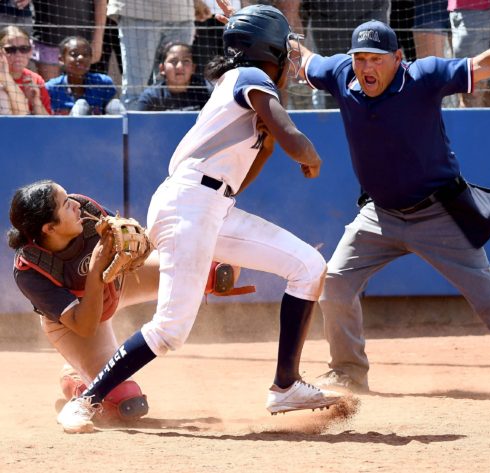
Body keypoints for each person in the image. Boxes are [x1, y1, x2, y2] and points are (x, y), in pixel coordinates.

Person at [56, 4, 342, 434]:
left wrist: (266, 149)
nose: (288, 60)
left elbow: (253, 162)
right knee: (171, 329)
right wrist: (308, 152)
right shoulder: (251, 77)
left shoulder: (247, 85)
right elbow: (291, 137)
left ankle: (286, 386)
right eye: (284, 51)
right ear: (270, 52)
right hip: (189, 201)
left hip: (210, 204)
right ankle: (88, 399)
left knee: (308, 267)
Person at [286, 17, 490, 395]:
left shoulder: (423, 77)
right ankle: (348, 371)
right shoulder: (342, 75)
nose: (367, 67)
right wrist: (272, 31)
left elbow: (484, 64)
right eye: (360, 58)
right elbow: (306, 58)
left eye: (376, 59)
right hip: (380, 214)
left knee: (488, 296)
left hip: (438, 214)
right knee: (336, 284)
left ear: (398, 57)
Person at [8, 180, 246, 425]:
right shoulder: (31, 270)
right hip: (76, 322)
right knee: (125, 402)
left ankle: (204, 272)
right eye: (66, 205)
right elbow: (85, 326)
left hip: (118, 284)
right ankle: (76, 381)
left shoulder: (86, 210)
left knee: (209, 270)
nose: (76, 205)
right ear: (49, 228)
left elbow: (140, 242)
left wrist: (143, 246)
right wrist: (96, 269)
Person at [106, 0, 197, 108]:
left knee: (174, 87)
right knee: (135, 90)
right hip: (138, 12)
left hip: (182, 14)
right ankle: (134, 124)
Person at [45, 36, 124, 115]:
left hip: (97, 127)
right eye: (74, 54)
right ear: (61, 59)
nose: (80, 58)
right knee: (81, 106)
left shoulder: (102, 83)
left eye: (85, 55)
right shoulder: (51, 88)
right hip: (64, 127)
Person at [31, 0, 106, 81]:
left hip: (82, 41)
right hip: (47, 39)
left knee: (79, 90)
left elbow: (100, 2)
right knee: (51, 91)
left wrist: (98, 40)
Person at [131, 42, 210, 111]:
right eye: (173, 61)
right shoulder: (150, 97)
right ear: (162, 69)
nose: (180, 66)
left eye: (186, 61)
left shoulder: (207, 92)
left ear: (193, 68)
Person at [0, 25, 50, 115]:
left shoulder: (35, 80)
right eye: (10, 49)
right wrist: (6, 78)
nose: (18, 54)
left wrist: (35, 101)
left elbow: (48, 125)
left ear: (30, 52)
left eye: (24, 49)